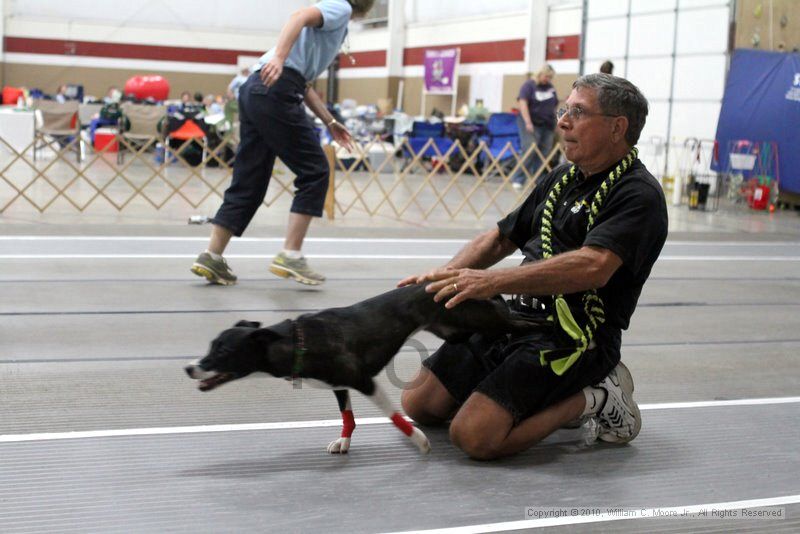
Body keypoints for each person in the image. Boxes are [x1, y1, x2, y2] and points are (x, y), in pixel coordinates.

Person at [399, 73, 668, 460]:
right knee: (418, 403)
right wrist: (443, 278)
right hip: (516, 317)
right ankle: (520, 396)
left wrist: (491, 282)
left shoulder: (638, 195)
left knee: (474, 437)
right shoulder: (561, 178)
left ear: (616, 127)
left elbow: (594, 266)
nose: (562, 121)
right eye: (564, 109)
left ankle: (596, 396)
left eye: (578, 111)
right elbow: (500, 237)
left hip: (574, 337)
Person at [191, 0, 373, 286]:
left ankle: (211, 256)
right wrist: (279, 56)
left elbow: (303, 83)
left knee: (249, 179)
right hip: (275, 88)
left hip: (256, 89)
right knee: (315, 170)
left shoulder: (333, 25)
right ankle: (291, 254)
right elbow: (298, 16)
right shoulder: (341, 8)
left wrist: (330, 121)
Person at [512, 64, 558, 190]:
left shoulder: (550, 88)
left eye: (550, 77)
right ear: (539, 74)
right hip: (530, 122)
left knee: (544, 152)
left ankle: (539, 180)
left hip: (547, 124)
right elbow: (523, 103)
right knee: (530, 149)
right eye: (546, 76)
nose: (547, 79)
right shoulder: (529, 85)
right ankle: (518, 179)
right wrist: (528, 122)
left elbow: (553, 106)